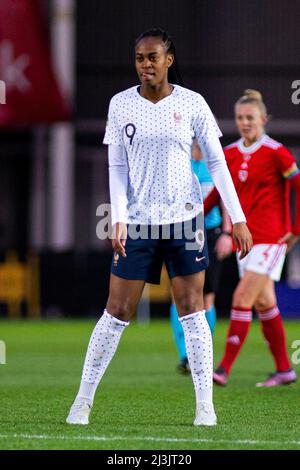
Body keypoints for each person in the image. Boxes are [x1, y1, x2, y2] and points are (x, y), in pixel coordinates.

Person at [66, 28, 252, 427]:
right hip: (137, 224)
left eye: (152, 57)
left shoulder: (192, 103)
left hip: (186, 222)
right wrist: (117, 217)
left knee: (193, 309)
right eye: (139, 58)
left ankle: (205, 407)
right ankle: (82, 401)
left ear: (169, 60)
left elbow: (218, 164)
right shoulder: (120, 105)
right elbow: (116, 166)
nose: (145, 65)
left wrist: (238, 218)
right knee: (116, 312)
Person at [204, 89, 300, 387]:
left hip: (272, 239)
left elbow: (298, 185)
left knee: (242, 297)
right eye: (240, 118)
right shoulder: (230, 154)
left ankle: (223, 369)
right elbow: (219, 191)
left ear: (263, 119)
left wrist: (295, 230)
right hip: (244, 241)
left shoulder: (276, 152)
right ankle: (285, 369)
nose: (245, 123)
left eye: (250, 118)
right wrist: (194, 215)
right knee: (263, 303)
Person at [171, 140, 233, 374]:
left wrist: (227, 232)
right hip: (185, 232)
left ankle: (203, 352)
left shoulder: (215, 165)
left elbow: (225, 200)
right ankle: (185, 355)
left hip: (212, 233)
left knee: (207, 296)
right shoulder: (180, 164)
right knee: (180, 293)